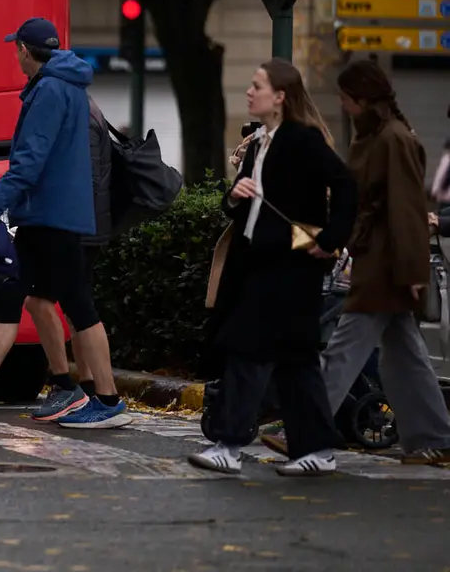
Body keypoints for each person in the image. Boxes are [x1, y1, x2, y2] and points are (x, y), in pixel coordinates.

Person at [0, 18, 129, 429]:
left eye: (15, 47)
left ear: (24, 51)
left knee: (78, 305)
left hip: (52, 215)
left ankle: (107, 400)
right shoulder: (65, 85)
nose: (14, 53)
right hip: (47, 215)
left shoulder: (49, 90)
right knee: (12, 294)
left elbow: (29, 161)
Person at [189, 59, 357, 477]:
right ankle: (318, 449)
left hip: (290, 266)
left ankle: (229, 443)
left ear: (280, 97)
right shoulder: (262, 141)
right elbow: (239, 205)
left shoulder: (301, 139)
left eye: (257, 86)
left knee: (247, 348)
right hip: (257, 262)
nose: (249, 92)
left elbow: (345, 183)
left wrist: (331, 238)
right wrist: (235, 193)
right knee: (296, 360)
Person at [311, 60, 450, 465]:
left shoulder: (393, 139)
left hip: (385, 265)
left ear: (363, 98)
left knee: (343, 350)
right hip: (379, 259)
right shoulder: (375, 136)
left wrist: (410, 272)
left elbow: (406, 210)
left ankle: (306, 428)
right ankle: (436, 438)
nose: (342, 103)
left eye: (345, 96)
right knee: (404, 356)